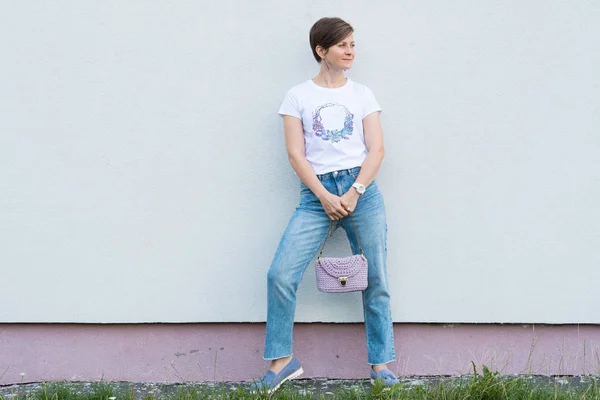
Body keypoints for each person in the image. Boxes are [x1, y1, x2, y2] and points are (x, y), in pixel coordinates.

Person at [251, 17, 399, 394]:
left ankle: (380, 365)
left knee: (376, 279)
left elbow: (377, 149)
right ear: (321, 50)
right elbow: (295, 154)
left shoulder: (362, 93)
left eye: (353, 44)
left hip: (361, 191)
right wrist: (324, 196)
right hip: (316, 195)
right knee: (280, 274)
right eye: (343, 45)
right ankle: (282, 361)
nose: (351, 51)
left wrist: (354, 192)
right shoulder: (298, 96)